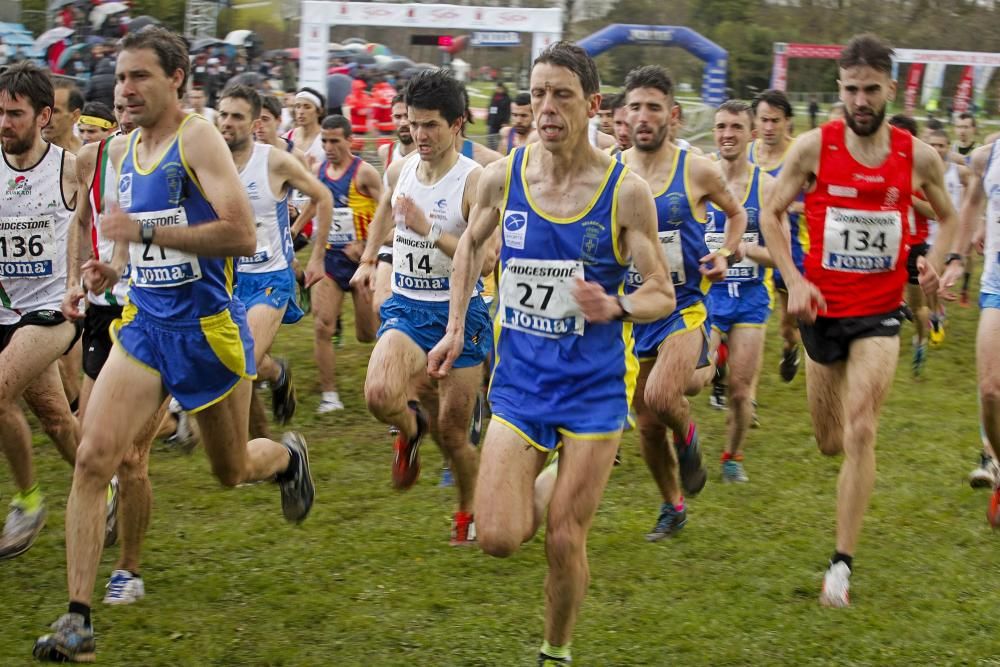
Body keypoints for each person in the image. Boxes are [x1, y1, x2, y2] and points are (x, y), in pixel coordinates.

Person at [33, 28, 315, 662]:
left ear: (177, 78)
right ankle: (77, 620)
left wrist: (146, 234)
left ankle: (286, 457)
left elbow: (241, 233)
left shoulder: (197, 137)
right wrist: (114, 268)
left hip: (208, 334)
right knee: (92, 458)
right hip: (145, 327)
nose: (125, 88)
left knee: (231, 469)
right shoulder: (126, 148)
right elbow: (140, 241)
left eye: (140, 77)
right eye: (121, 77)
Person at [427, 43, 673, 665]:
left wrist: (615, 307)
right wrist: (457, 328)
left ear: (592, 105)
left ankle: (554, 650)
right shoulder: (503, 177)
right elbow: (466, 250)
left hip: (593, 391)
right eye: (537, 94)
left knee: (565, 538)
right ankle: (549, 477)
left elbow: (662, 293)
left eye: (561, 94)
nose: (545, 107)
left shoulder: (626, 193)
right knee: (500, 538)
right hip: (520, 385)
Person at [759, 34, 965, 609]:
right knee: (829, 441)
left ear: (890, 89)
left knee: (862, 429)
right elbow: (772, 214)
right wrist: (796, 280)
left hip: (879, 313)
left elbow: (947, 217)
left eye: (871, 89)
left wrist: (937, 260)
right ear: (840, 90)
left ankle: (840, 567)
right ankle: (812, 365)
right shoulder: (812, 148)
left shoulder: (914, 154)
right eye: (851, 90)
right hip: (821, 311)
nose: (861, 101)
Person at [350, 69, 489, 545]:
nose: (420, 135)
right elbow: (388, 208)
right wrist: (370, 259)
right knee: (378, 395)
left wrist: (429, 228)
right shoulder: (402, 165)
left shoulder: (474, 182)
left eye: (431, 125)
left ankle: (467, 514)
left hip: (460, 316)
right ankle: (410, 430)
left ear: (458, 125)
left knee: (453, 438)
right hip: (408, 306)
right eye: (413, 124)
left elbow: (486, 258)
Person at [618, 65, 746, 537]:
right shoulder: (613, 170)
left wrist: (725, 253)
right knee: (648, 425)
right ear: (625, 115)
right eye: (636, 107)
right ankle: (673, 505)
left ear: (672, 115)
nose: (645, 116)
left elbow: (735, 215)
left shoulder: (696, 169)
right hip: (635, 312)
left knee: (660, 396)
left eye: (654, 107)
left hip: (684, 306)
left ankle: (689, 436)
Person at [0, 63, 112, 562]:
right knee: (54, 418)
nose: (4, 123)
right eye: (0, 112)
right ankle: (102, 488)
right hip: (5, 309)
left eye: (15, 114)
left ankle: (27, 502)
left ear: (44, 116)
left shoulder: (71, 168)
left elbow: (108, 215)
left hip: (55, 308)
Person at [219, 84, 333, 434]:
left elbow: (323, 196)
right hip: (227, 281)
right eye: (222, 115)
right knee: (235, 367)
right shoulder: (212, 163)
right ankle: (261, 442)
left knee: (245, 360)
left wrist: (316, 258)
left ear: (255, 122)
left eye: (237, 116)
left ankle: (275, 374)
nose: (227, 123)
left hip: (271, 277)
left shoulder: (274, 161)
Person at [705, 100, 779, 484]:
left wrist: (746, 249)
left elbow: (781, 255)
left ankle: (732, 457)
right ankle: (714, 357)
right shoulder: (700, 177)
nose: (727, 135)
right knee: (692, 378)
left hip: (750, 300)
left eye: (736, 127)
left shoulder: (765, 187)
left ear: (751, 134)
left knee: (740, 391)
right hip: (707, 299)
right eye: (721, 127)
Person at [300, 114, 380, 414]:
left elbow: (386, 211)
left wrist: (368, 247)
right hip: (331, 259)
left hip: (362, 263)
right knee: (322, 326)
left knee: (366, 335)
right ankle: (329, 395)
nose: (329, 146)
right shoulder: (318, 171)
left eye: (335, 140)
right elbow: (313, 204)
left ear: (349, 140)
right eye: (324, 141)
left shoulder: (365, 174)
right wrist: (293, 231)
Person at [749, 89, 806, 383]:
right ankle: (741, 386)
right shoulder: (747, 153)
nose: (769, 127)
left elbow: (819, 199)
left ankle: (790, 346)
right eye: (764, 120)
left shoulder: (800, 155)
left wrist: (789, 206)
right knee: (746, 318)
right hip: (749, 244)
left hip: (790, 247)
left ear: (787, 122)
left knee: (786, 324)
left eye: (775, 120)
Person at [961, 134, 1000, 527]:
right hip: (997, 283)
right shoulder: (987, 156)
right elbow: (974, 201)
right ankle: (994, 458)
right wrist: (958, 255)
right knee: (990, 387)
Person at [44, 79, 84, 155]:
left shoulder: (90, 155)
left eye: (55, 111)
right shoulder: (27, 153)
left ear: (75, 116)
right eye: (42, 110)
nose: (45, 117)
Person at [486, 81, 511, 150]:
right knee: (491, 139)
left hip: (501, 124)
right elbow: (490, 108)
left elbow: (508, 111)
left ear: (502, 88)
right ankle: (491, 151)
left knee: (501, 141)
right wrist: (488, 119)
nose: (497, 89)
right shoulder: (494, 96)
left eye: (499, 88)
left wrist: (505, 122)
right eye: (496, 88)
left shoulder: (507, 98)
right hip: (492, 122)